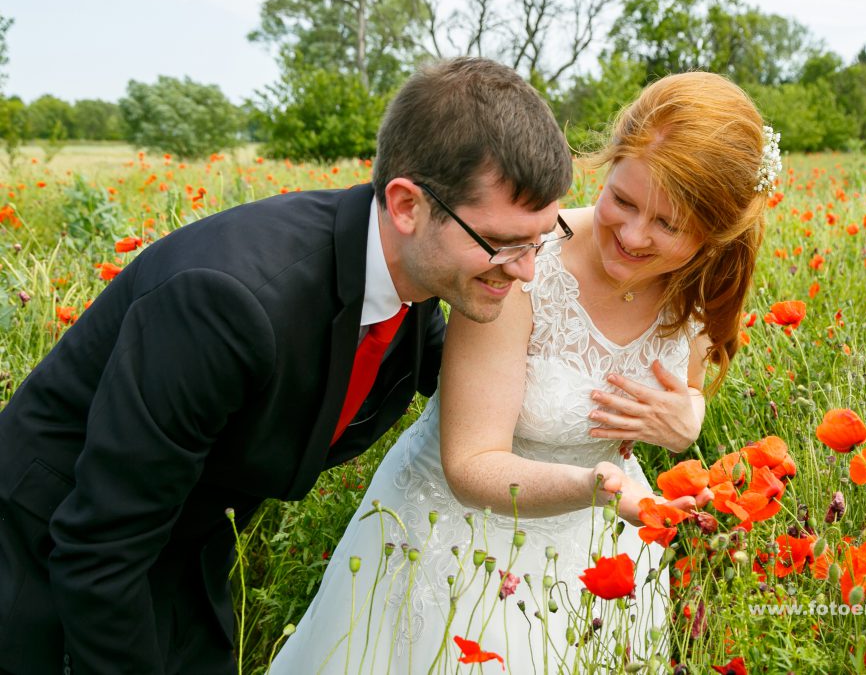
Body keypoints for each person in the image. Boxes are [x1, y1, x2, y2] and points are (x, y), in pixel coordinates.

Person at [0, 57, 572, 675]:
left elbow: (505, 402)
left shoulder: (420, 281)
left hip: (183, 556)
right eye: (502, 243)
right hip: (47, 563)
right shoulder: (228, 302)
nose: (525, 270)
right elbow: (101, 544)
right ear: (407, 205)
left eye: (541, 238)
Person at [269, 71, 777, 674]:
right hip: (460, 539)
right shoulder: (524, 262)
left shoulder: (700, 287)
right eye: (623, 200)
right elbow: (472, 464)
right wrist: (599, 491)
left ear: (713, 233)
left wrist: (688, 418)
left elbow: (686, 390)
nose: (634, 236)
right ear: (606, 167)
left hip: (601, 551)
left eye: (668, 225)